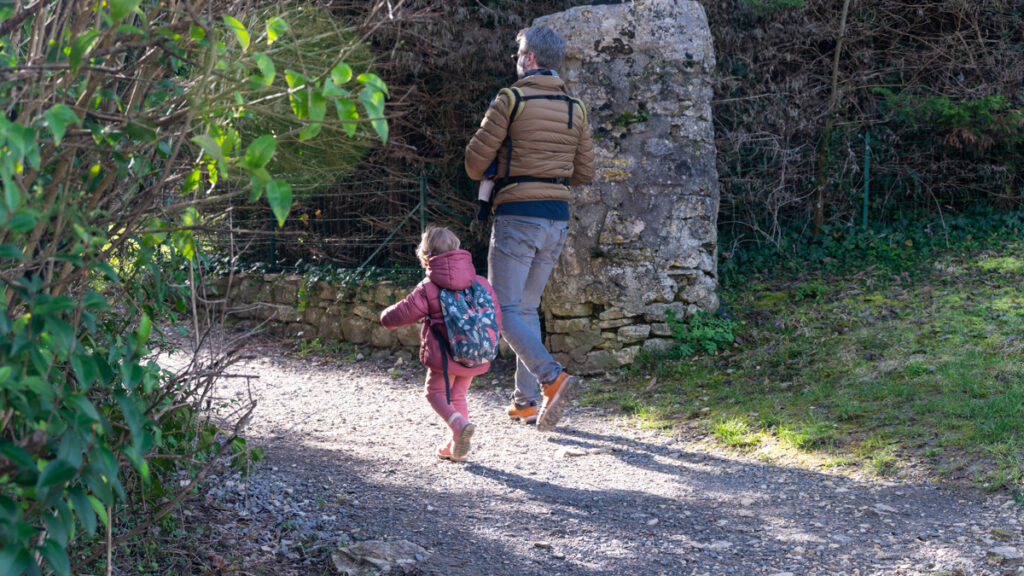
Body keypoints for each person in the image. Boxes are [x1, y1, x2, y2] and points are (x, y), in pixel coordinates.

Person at [465, 25, 595, 432]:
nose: (516, 59)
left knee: (502, 309)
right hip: (556, 217)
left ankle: (551, 377)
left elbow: (474, 164)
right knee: (525, 308)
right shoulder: (576, 108)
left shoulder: (511, 99)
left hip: (517, 215)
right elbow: (584, 173)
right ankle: (525, 403)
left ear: (531, 58)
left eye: (519, 52)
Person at [379, 226, 501, 461]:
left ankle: (458, 425)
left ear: (426, 256)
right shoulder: (481, 283)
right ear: (457, 249)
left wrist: (384, 316)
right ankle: (455, 446)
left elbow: (403, 313)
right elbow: (496, 315)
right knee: (458, 396)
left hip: (445, 358)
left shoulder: (429, 287)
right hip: (476, 352)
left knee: (434, 392)